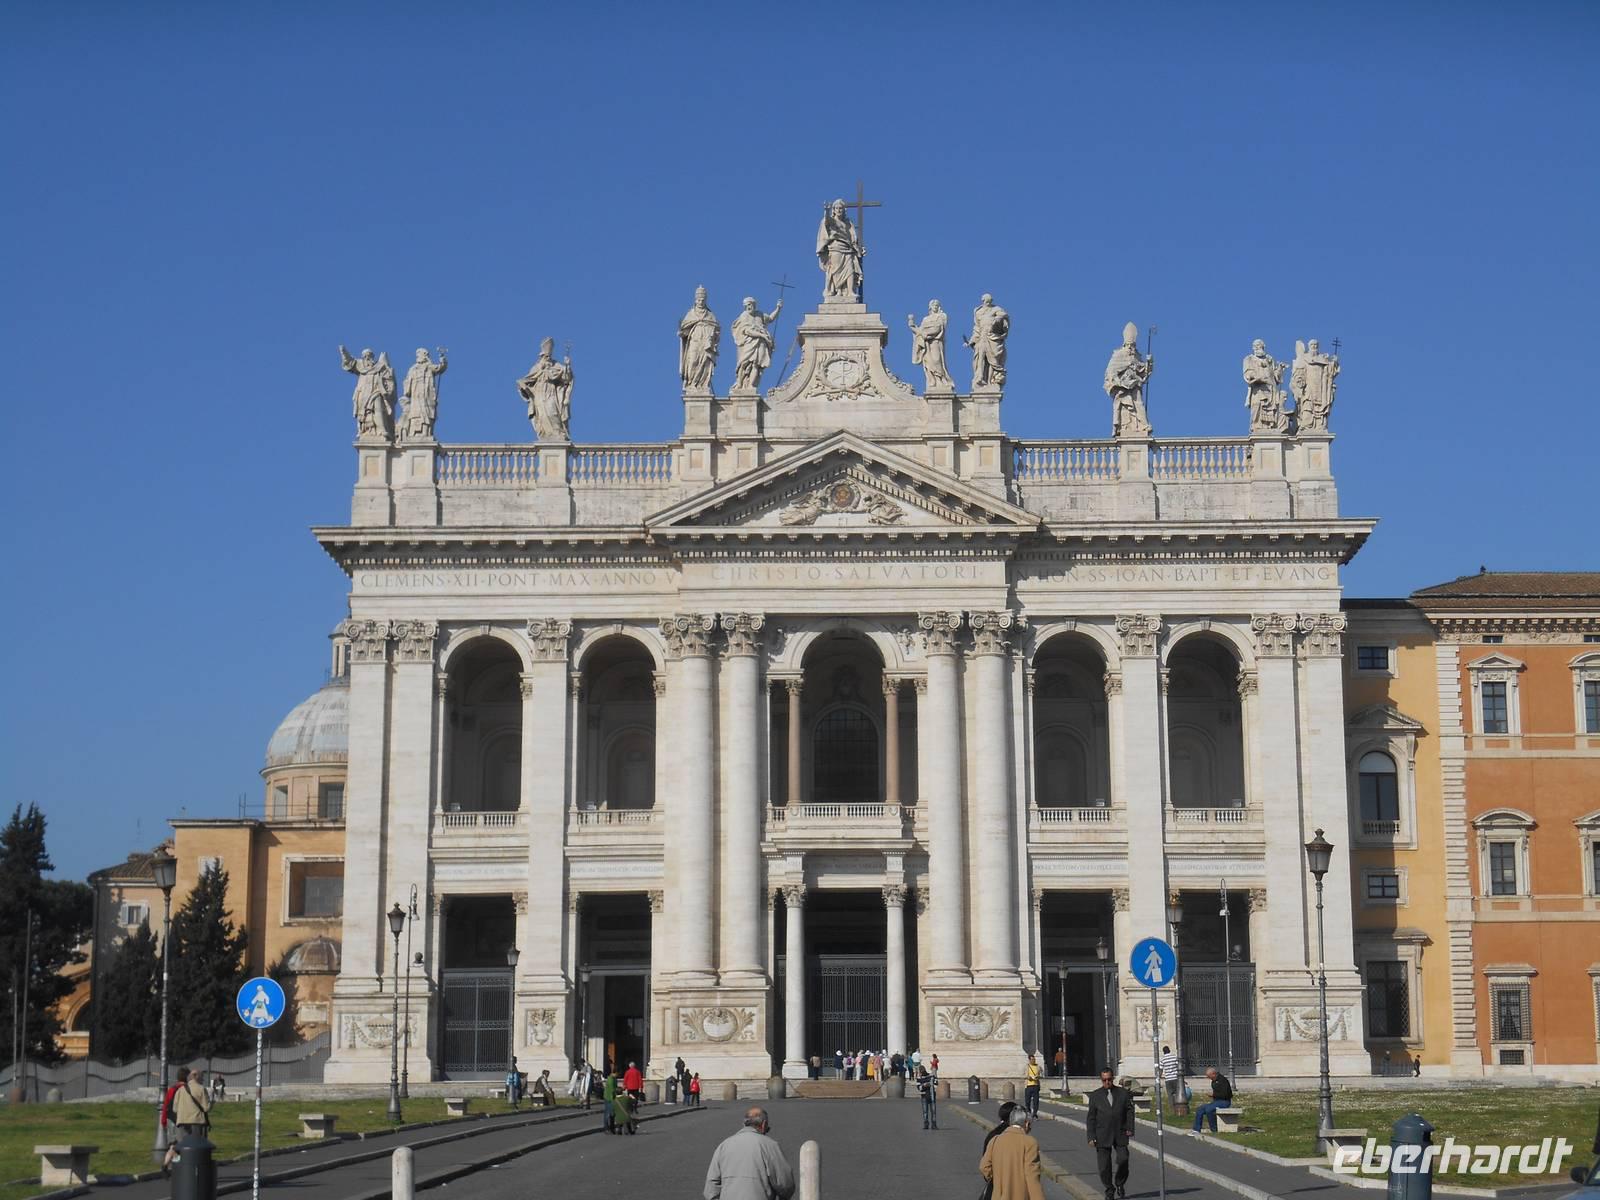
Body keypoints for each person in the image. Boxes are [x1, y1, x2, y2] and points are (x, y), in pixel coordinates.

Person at [703, 1106, 795, 1200]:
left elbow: (711, 1186)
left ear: (744, 1124)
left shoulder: (724, 1145)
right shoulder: (770, 1145)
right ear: (764, 1125)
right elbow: (785, 1183)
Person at [1086, 1067, 1135, 1200]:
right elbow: (1091, 1118)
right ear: (1101, 1080)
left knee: (1123, 1158)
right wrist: (1091, 1136)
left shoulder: (1123, 1093)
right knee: (1104, 1167)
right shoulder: (1095, 1096)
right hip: (1102, 1135)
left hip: (1120, 1133)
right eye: (1104, 1080)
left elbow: (1130, 1111)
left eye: (1109, 1079)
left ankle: (1120, 1182)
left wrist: (1130, 1128)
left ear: (1113, 1079)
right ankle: (1109, 1189)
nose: (1106, 1082)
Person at [980, 1108, 1046, 1200]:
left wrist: (999, 1179)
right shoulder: (1029, 1142)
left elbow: (984, 1166)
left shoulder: (995, 1140)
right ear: (1026, 1123)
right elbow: (1032, 1176)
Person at [815, 199, 864, 302]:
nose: (839, 210)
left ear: (844, 210)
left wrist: (858, 250)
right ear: (834, 210)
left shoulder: (848, 223)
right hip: (836, 248)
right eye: (837, 208)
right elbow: (826, 220)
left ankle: (850, 292)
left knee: (850, 270)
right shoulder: (832, 221)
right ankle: (837, 291)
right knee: (835, 271)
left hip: (848, 249)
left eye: (841, 208)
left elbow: (853, 239)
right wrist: (826, 211)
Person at [678, 287, 720, 390]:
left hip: (706, 343)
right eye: (698, 300)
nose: (700, 302)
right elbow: (684, 327)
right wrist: (683, 332)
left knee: (704, 362)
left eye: (702, 300)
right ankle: (691, 383)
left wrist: (712, 337)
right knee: (692, 361)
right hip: (695, 341)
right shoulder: (691, 314)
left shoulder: (710, 315)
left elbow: (717, 329)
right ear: (695, 300)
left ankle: (702, 384)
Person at [980, 1100, 1019, 1200]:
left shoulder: (992, 1135)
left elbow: (985, 1166)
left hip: (995, 1185)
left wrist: (994, 1178)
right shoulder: (1020, 1137)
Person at [171, 1064, 213, 1149]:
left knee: (183, 1148)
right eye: (202, 1077)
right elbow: (206, 1108)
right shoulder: (201, 1089)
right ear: (196, 1077)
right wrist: (212, 1102)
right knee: (197, 1148)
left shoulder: (180, 1090)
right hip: (196, 1122)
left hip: (181, 1122)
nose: (203, 1079)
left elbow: (175, 1109)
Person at [160, 1067, 191, 1173]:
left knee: (172, 1145)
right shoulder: (187, 1089)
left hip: (170, 1119)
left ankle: (165, 1165)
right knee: (183, 1145)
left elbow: (165, 1105)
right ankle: (181, 1170)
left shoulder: (172, 1089)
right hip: (181, 1120)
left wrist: (164, 1120)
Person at [1190, 1067, 1234, 1134]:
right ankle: (1196, 1129)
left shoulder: (1222, 1080)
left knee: (1209, 1109)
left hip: (1225, 1102)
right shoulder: (1214, 1081)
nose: (1208, 1078)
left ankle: (1214, 1129)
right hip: (1216, 1102)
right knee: (1200, 1109)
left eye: (1209, 1076)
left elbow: (1225, 1094)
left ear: (1213, 1074)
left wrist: (1213, 1095)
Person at [1156, 1045, 1182, 1113]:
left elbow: (1161, 1070)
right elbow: (1178, 1065)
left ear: (1163, 1052)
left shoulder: (1163, 1059)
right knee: (1177, 1093)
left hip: (1168, 1079)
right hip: (1175, 1078)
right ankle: (1178, 1107)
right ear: (1169, 1050)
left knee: (1170, 1095)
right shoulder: (1174, 1057)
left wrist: (1159, 1077)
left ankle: (1172, 1109)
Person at [916, 1066, 938, 1130]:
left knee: (933, 1111)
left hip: (932, 1095)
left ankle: (934, 1124)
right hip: (924, 1096)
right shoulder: (919, 1078)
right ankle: (926, 1124)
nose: (919, 1074)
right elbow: (919, 1088)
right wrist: (924, 1085)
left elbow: (936, 1083)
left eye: (919, 1072)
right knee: (925, 1111)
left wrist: (931, 1083)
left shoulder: (931, 1076)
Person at [1023, 1053, 1042, 1118]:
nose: (1033, 1060)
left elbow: (1042, 1074)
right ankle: (1029, 1111)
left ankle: (1035, 1113)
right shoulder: (1026, 1067)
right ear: (1029, 1060)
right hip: (1028, 1085)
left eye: (1034, 1059)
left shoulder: (1038, 1066)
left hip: (1036, 1085)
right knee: (1027, 1101)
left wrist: (1038, 1076)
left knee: (1036, 1101)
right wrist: (1028, 1077)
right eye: (1032, 1059)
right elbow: (1022, 1075)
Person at [602, 1067, 619, 1132]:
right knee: (608, 1113)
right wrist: (614, 1098)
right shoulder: (610, 1079)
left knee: (612, 1114)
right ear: (615, 1073)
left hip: (612, 1098)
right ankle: (606, 1127)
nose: (618, 1075)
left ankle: (612, 1127)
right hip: (609, 1098)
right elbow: (612, 1090)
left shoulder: (614, 1079)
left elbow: (615, 1088)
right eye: (617, 1074)